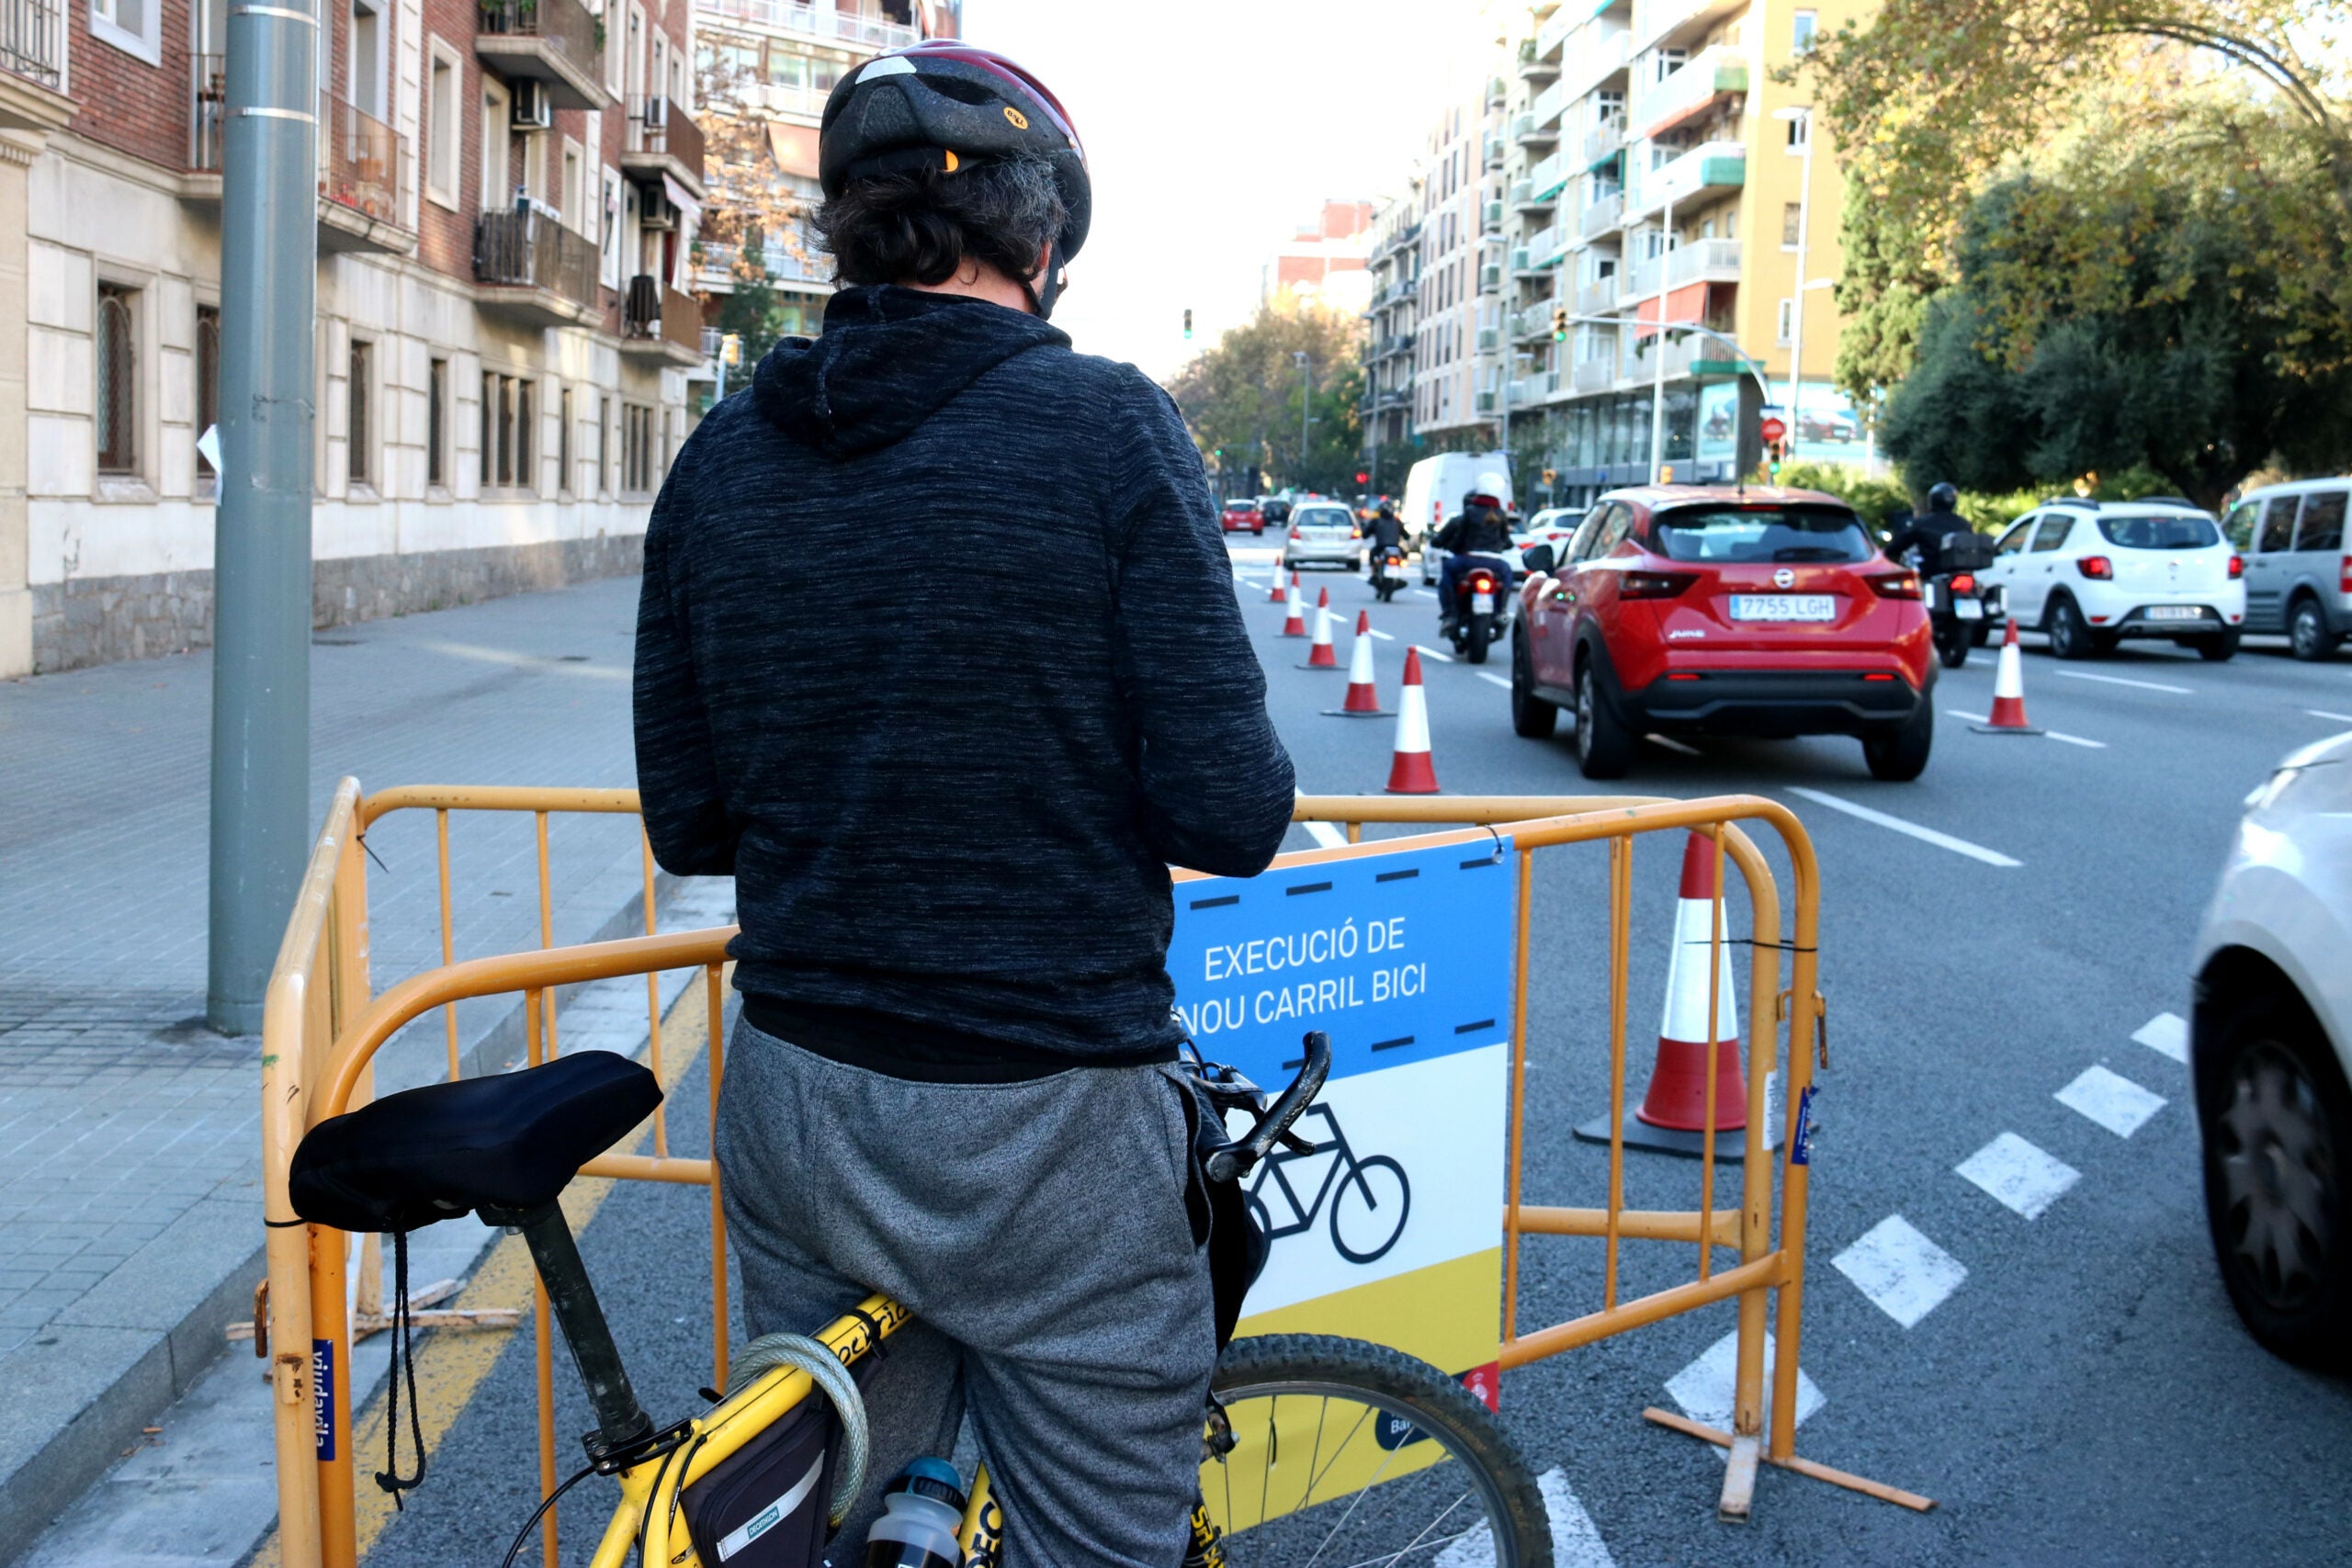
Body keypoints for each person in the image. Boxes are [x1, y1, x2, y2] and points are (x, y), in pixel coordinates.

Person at [630, 40, 1296, 1563]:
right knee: (1099, 1537)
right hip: (1048, 1119)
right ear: (1041, 241)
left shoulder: (720, 458)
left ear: (846, 231)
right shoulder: (1113, 430)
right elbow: (1231, 809)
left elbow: (690, 823)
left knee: (835, 1518)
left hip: (800, 1093)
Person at [1432, 477, 1516, 625]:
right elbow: (1505, 539)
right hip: (1494, 562)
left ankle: (1450, 612)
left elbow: (1461, 536)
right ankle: (1501, 611)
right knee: (1508, 574)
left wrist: (1454, 547)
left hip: (1469, 559)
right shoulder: (1501, 514)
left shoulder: (1470, 511)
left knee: (1447, 570)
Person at [1884, 481, 1975, 572]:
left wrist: (1889, 552)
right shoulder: (1965, 524)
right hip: (1961, 571)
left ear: (1932, 501)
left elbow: (1900, 544)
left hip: (1932, 571)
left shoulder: (1922, 523)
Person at [1365, 499, 1404, 577]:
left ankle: (1373, 574)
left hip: (1381, 546)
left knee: (1372, 554)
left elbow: (1366, 534)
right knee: (1403, 554)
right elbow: (1406, 535)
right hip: (1395, 546)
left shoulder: (1377, 521)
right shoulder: (1397, 521)